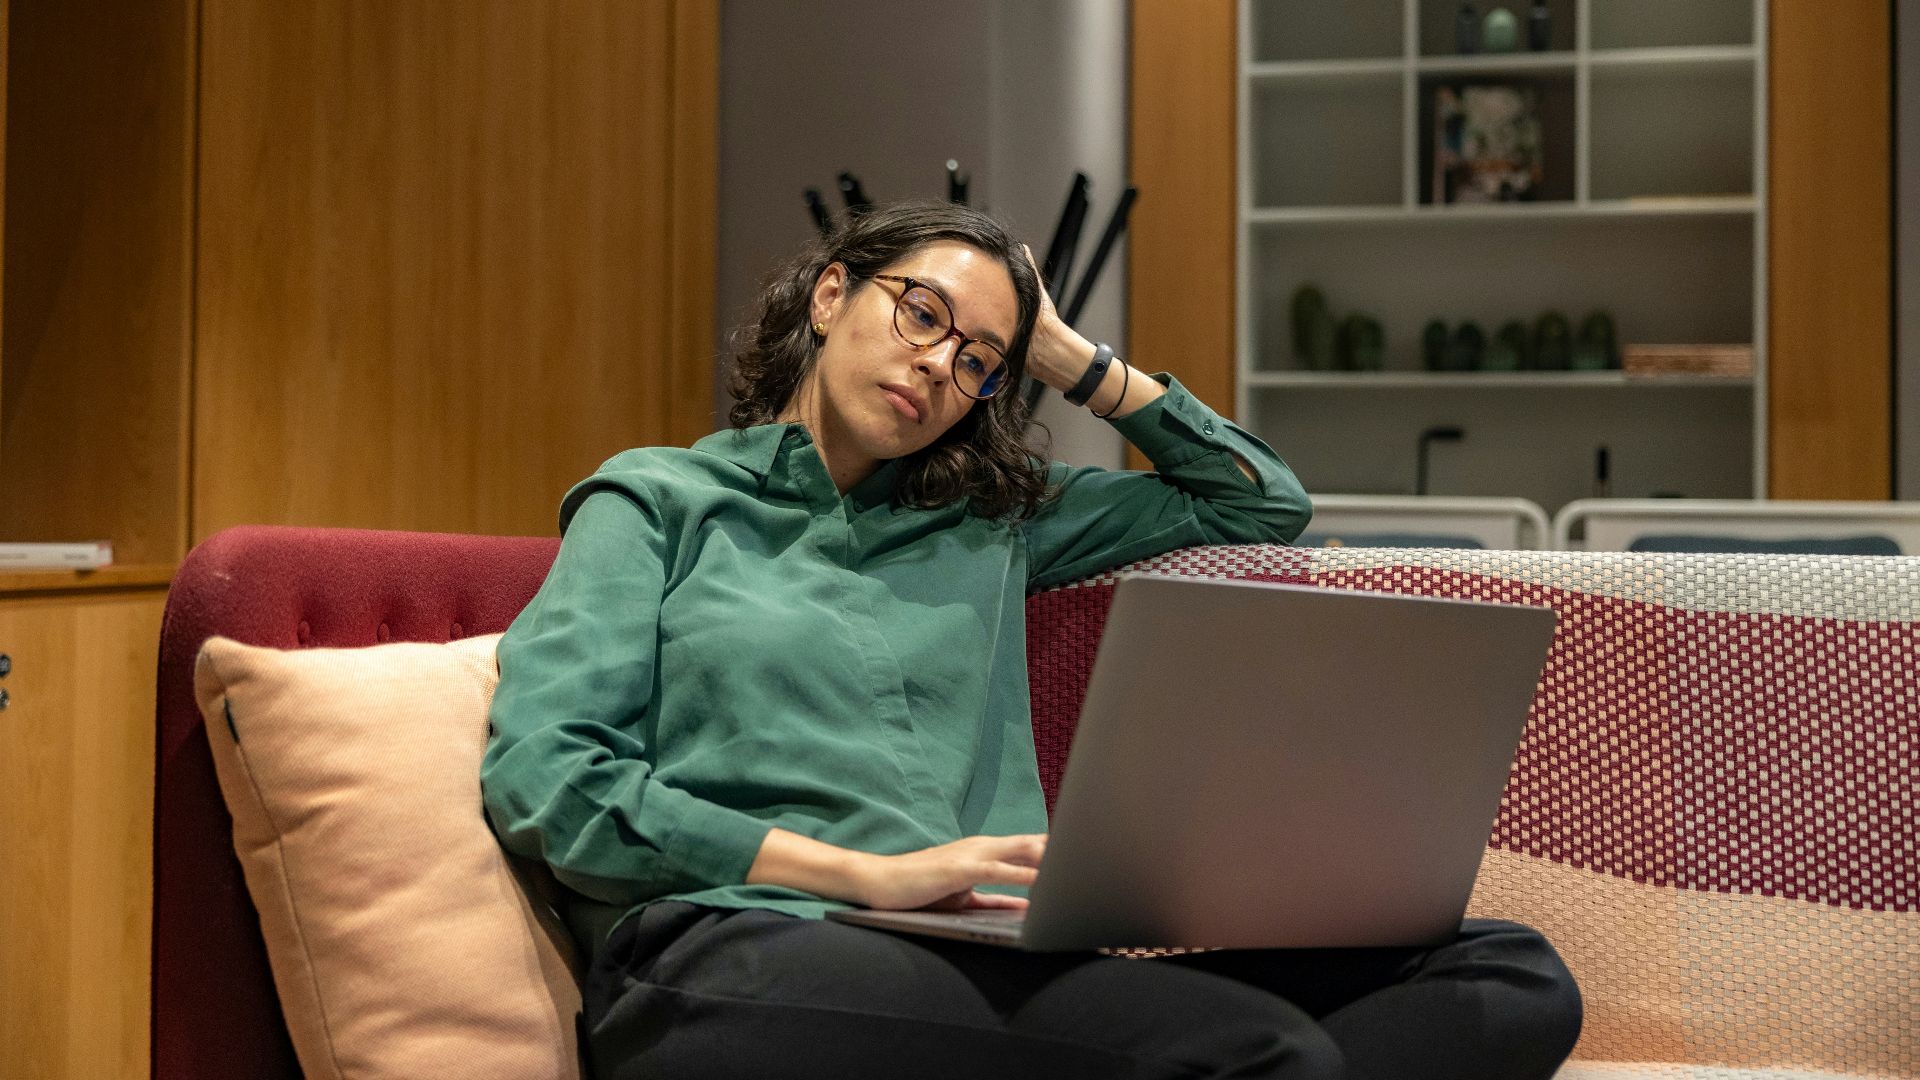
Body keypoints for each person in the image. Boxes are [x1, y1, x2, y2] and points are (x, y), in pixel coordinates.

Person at [481, 201, 1582, 1079]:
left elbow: (1259, 501)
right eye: (921, 313)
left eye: (978, 361)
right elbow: (549, 776)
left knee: (1506, 979)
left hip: (973, 950)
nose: (938, 365)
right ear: (829, 297)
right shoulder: (658, 498)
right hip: (727, 950)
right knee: (1258, 1051)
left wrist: (1066, 354)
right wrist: (869, 876)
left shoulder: (990, 516)